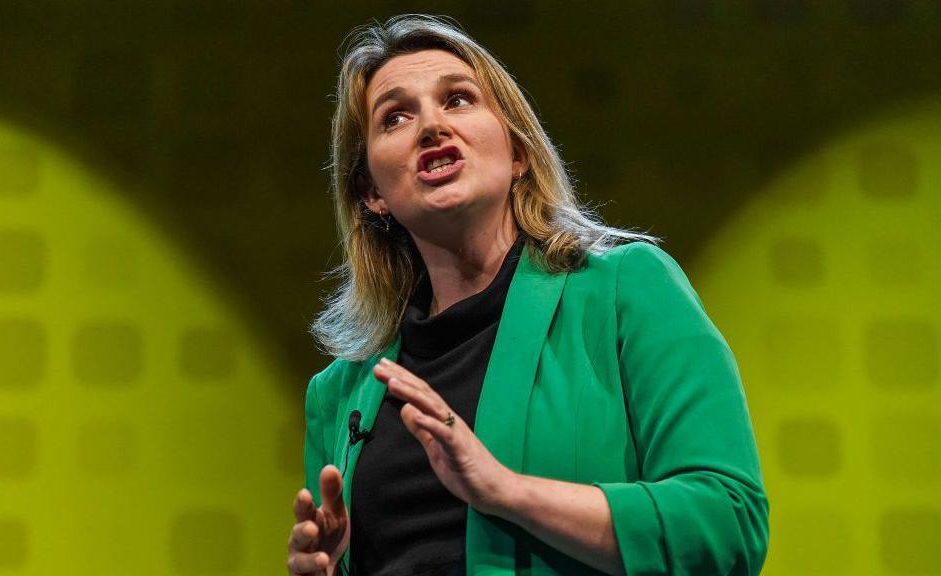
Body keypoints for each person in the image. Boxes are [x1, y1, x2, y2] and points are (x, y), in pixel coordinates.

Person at [288, 14, 769, 576]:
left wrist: (505, 491)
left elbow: (728, 522)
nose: (431, 126)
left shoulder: (627, 289)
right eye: (395, 116)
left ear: (518, 154)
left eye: (459, 99)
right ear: (372, 193)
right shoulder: (339, 393)